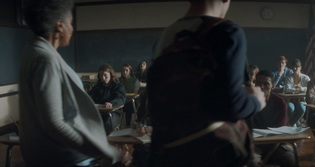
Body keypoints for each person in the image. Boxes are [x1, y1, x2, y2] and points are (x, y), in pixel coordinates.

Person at [151, 0, 266, 165]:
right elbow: (230, 103)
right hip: (213, 152)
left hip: (168, 152)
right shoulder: (227, 31)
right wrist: (256, 101)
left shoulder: (165, 37)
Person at [18, 0, 130, 166]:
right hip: (63, 158)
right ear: (60, 25)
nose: (72, 28)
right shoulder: (45, 59)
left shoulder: (35, 51)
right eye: (71, 22)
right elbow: (54, 123)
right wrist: (103, 151)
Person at [250, 70, 296, 167]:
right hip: (254, 144)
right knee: (252, 163)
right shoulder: (248, 102)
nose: (261, 87)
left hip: (275, 144)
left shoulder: (280, 103)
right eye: (258, 83)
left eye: (266, 84)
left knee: (291, 160)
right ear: (254, 83)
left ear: (273, 86)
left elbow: (280, 133)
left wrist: (266, 158)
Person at [89, 64, 126, 134]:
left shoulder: (118, 86)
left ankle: (105, 143)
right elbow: (89, 97)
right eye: (101, 75)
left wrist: (111, 103)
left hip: (112, 113)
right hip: (98, 113)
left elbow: (121, 98)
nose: (103, 78)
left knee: (106, 123)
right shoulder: (97, 87)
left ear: (111, 75)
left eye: (105, 75)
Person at [285, 59, 310, 126]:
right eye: (293, 67)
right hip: (291, 99)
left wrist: (301, 88)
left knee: (302, 109)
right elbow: (287, 89)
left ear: (300, 67)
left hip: (301, 99)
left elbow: (310, 89)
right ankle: (296, 123)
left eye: (297, 67)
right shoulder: (289, 77)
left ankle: (291, 123)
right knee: (290, 109)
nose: (295, 68)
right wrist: (299, 90)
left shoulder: (306, 77)